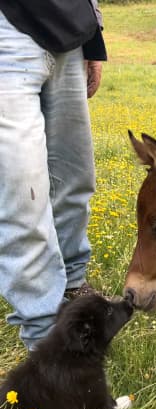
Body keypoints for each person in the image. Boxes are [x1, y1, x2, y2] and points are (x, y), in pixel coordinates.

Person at [0, 0, 107, 350]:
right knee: (23, 198)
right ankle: (47, 341)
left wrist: (93, 40)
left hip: (69, 34)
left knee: (75, 179)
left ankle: (73, 286)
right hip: (6, 36)